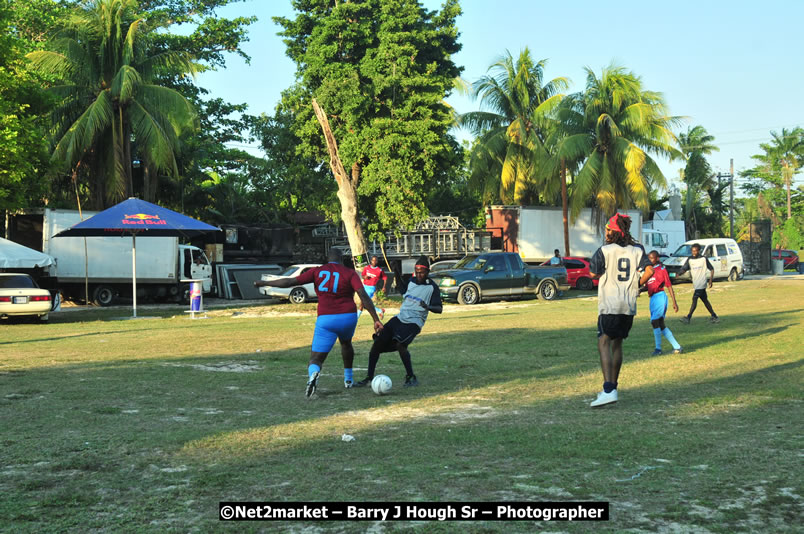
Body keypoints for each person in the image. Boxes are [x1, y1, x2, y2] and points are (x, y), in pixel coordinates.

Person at [254, 248, 383, 397]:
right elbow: (363, 295)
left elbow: (290, 281)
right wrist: (376, 319)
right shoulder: (349, 273)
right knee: (346, 343)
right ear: (341, 260)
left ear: (328, 259)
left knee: (316, 358)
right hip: (348, 317)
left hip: (326, 318)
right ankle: (348, 380)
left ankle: (313, 374)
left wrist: (265, 282)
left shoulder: (317, 271)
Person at [588, 213, 653, 408]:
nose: (605, 233)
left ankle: (608, 390)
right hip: (628, 305)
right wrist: (636, 286)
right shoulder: (638, 250)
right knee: (617, 344)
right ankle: (613, 388)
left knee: (603, 342)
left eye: (608, 230)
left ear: (614, 232)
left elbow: (593, 273)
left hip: (610, 303)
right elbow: (649, 271)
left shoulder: (605, 250)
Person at [353, 255, 442, 388]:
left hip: (414, 322)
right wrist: (396, 271)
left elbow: (439, 308)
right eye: (416, 271)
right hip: (400, 318)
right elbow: (402, 288)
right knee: (376, 344)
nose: (418, 274)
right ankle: (369, 378)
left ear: (427, 272)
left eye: (421, 272)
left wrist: (427, 307)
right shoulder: (412, 281)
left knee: (400, 345)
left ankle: (411, 377)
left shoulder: (432, 287)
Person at [644, 250, 682, 355]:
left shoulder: (662, 270)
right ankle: (677, 346)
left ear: (657, 258)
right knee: (660, 324)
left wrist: (674, 302)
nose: (650, 260)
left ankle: (658, 349)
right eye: (649, 258)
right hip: (653, 299)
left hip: (660, 297)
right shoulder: (649, 270)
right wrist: (638, 290)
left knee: (655, 322)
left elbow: (669, 285)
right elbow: (647, 285)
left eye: (652, 258)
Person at [678, 243, 719, 324]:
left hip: (702, 282)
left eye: (695, 251)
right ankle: (714, 316)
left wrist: (710, 280)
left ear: (699, 251)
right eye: (692, 251)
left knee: (694, 299)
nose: (694, 253)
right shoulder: (690, 259)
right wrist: (679, 273)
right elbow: (684, 268)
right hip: (696, 283)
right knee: (705, 300)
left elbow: (712, 269)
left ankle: (688, 317)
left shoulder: (703, 259)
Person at [357, 255, 386, 320]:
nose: (374, 262)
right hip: (364, 286)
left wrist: (384, 286)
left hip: (371, 288)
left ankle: (356, 319)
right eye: (373, 260)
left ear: (377, 261)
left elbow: (385, 278)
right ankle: (380, 310)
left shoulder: (379, 270)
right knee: (365, 303)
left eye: (375, 260)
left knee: (363, 303)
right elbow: (363, 275)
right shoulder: (366, 268)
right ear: (371, 261)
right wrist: (365, 277)